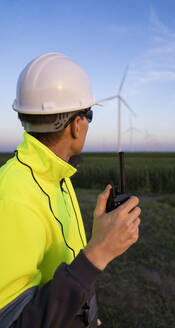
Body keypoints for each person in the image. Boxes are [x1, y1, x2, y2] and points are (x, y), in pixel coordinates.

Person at [0, 52, 141, 328]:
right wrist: (97, 253)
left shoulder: (57, 176)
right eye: (89, 115)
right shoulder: (10, 196)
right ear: (77, 125)